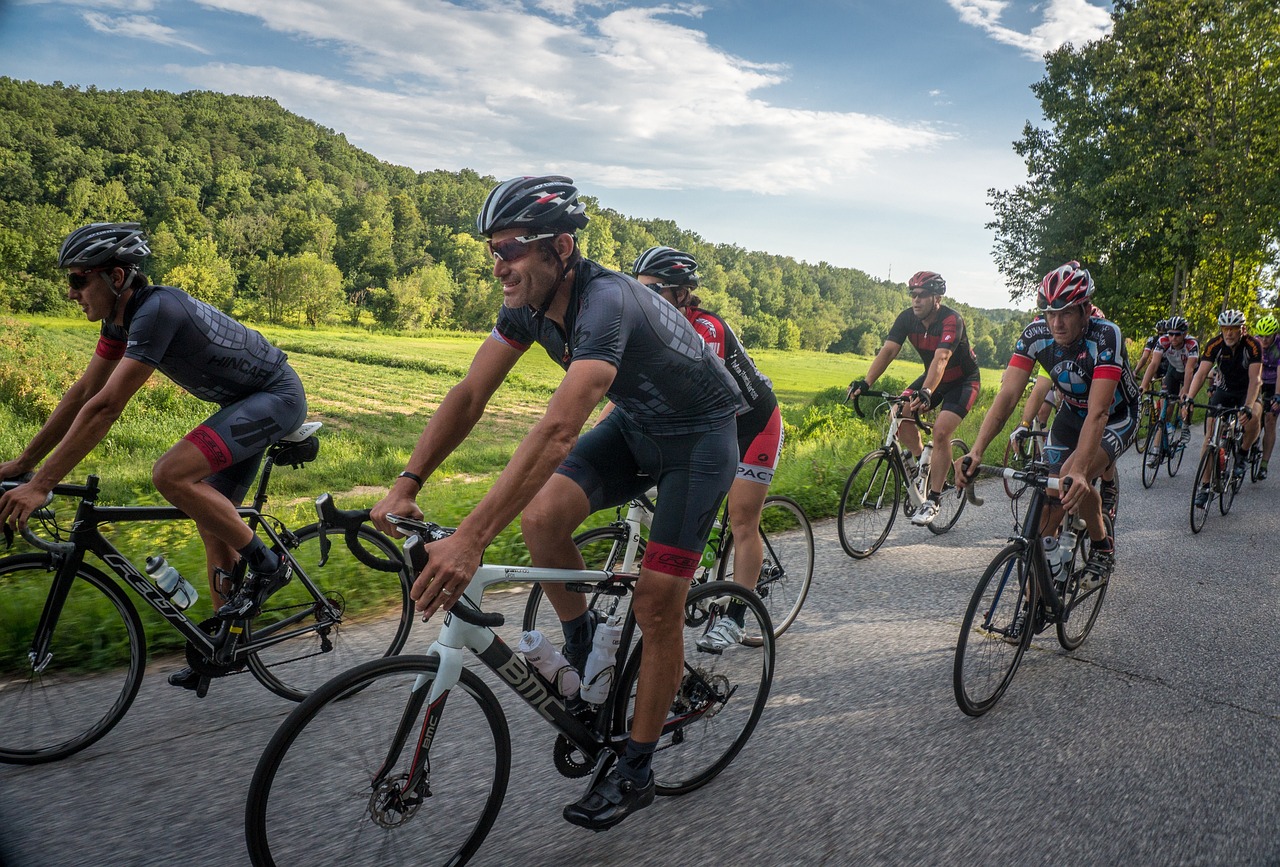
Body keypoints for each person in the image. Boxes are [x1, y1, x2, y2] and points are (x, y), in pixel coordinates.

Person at [368, 176, 743, 831]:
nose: (498, 264)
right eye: (491, 250)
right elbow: (469, 394)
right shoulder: (526, 304)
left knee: (658, 602)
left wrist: (472, 539)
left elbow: (559, 427)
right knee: (542, 519)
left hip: (700, 442)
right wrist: (408, 480)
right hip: (637, 426)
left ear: (561, 247)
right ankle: (590, 653)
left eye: (511, 247)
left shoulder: (606, 302)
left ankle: (635, 768)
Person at [0, 222, 308, 689]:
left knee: (170, 474)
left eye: (79, 279)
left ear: (117, 277)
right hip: (242, 404)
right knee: (211, 520)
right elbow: (85, 392)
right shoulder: (118, 322)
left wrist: (42, 484)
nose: (70, 292)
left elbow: (105, 408)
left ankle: (271, 566)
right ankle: (224, 646)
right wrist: (23, 465)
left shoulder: (158, 310)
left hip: (276, 397)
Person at [630, 245, 782, 651]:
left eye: (653, 290)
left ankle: (734, 616)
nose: (642, 299)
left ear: (681, 294)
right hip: (713, 426)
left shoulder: (706, 328)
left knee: (741, 518)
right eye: (637, 289)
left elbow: (699, 397)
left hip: (753, 424)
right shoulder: (647, 326)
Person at [956, 261, 1139, 588]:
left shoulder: (1106, 334)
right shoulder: (1035, 334)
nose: (1057, 323)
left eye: (1066, 313)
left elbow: (1098, 412)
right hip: (1071, 414)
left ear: (1085, 310)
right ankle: (1039, 592)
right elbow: (1007, 396)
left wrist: (1081, 470)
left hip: (1116, 416)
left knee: (1071, 478)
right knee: (1045, 503)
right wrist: (978, 450)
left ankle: (1101, 545)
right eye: (1049, 313)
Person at [846, 271, 981, 525]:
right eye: (913, 295)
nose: (916, 300)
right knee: (898, 412)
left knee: (941, 432)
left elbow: (941, 359)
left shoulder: (952, 319)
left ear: (936, 298)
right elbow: (888, 351)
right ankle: (922, 463)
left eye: (922, 295)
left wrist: (927, 392)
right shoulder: (907, 319)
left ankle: (933, 500)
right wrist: (866, 382)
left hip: (962, 381)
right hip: (932, 377)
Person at [1185, 309, 1263, 504]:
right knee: (1210, 438)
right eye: (1225, 328)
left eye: (1233, 329)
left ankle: (1243, 453)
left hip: (1247, 391)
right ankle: (1204, 486)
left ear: (1242, 329)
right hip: (1225, 390)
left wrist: (1247, 405)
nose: (1229, 333)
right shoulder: (1215, 344)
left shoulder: (1253, 345)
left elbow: (1256, 379)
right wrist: (1189, 397)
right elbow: (1201, 374)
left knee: (1254, 416)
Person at [1138, 315, 1198, 464]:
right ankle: (1156, 451)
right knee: (1164, 412)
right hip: (1173, 372)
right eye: (1170, 333)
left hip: (1189, 373)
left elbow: (1190, 371)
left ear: (1184, 334)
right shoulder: (1163, 341)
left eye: (1177, 334)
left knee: (1186, 401)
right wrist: (1143, 386)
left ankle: (1185, 425)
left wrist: (1185, 392)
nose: (1172, 338)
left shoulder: (1192, 344)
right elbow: (1153, 364)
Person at [1253, 313, 1280, 479]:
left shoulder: (1278, 346)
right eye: (1261, 336)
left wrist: (1277, 395)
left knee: (1270, 419)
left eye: (1267, 337)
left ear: (1275, 335)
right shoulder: (1254, 343)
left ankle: (1264, 463)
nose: (1264, 340)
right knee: (1250, 414)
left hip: (1274, 383)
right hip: (1257, 381)